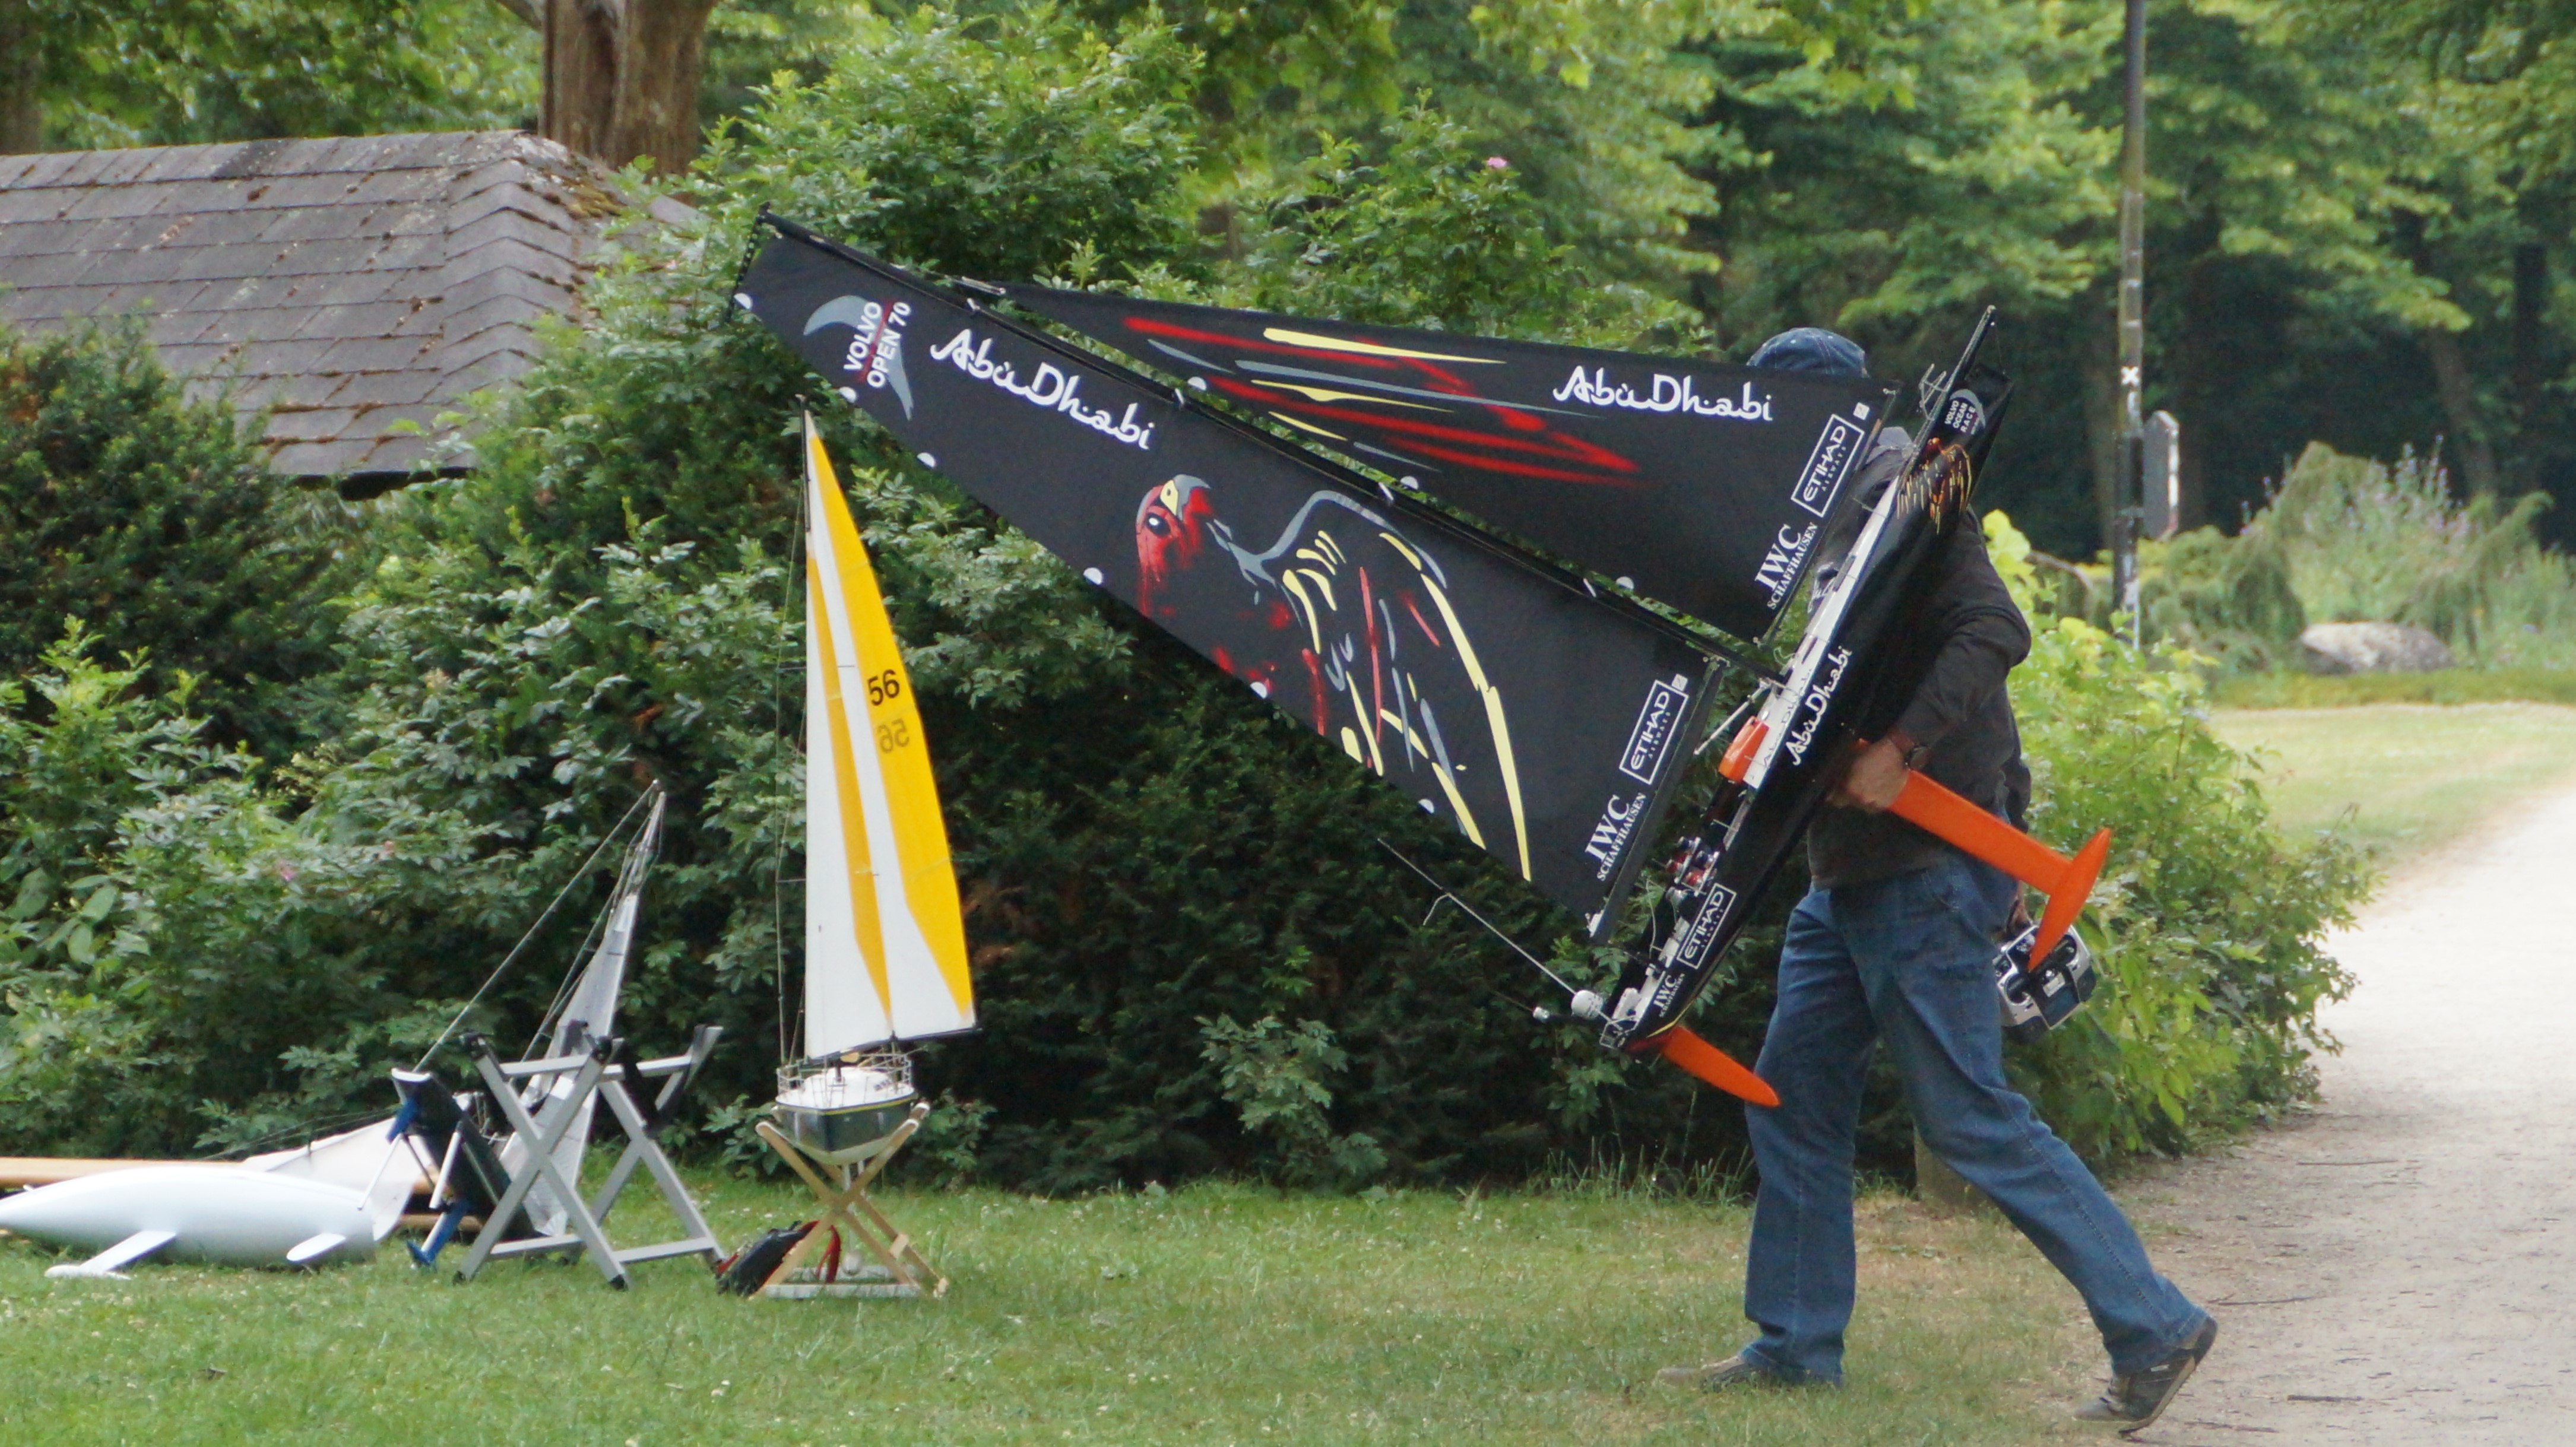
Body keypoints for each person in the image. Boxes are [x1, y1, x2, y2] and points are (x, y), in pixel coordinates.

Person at [1655, 327, 2216, 1433]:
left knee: (1968, 1118)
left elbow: (1994, 630)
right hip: (1849, 878)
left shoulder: (1911, 506)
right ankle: (1794, 1346)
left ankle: (2155, 1324)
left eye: (1776, 416)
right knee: (1791, 1097)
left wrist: (1902, 749)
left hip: (1920, 871)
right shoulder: (1836, 528)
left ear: (1826, 417)